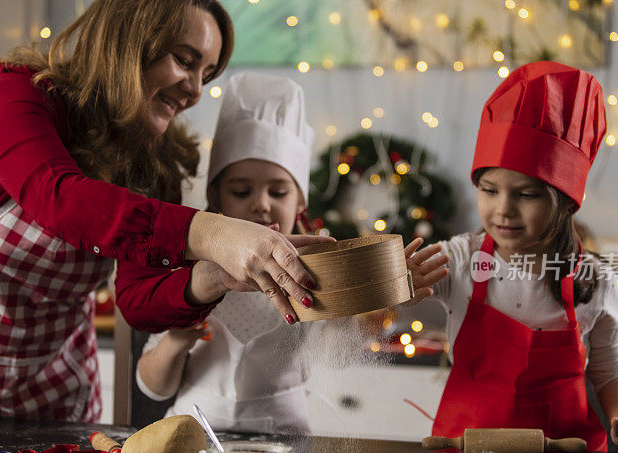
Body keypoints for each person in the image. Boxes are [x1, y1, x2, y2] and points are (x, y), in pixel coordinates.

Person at [0, 0, 333, 422]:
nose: (196, 90)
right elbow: (58, 197)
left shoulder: (153, 162)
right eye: (184, 60)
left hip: (56, 392)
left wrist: (214, 275)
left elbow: (137, 301)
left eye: (207, 74)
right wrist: (217, 234)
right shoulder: (14, 97)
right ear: (129, 39)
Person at [136, 72, 448, 433]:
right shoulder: (190, 273)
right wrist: (176, 340)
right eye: (241, 192)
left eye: (278, 192)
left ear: (300, 199)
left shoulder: (315, 271)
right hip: (191, 434)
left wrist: (368, 301)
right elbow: (153, 386)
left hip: (282, 440)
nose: (261, 206)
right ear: (216, 198)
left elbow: (334, 359)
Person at [430, 61, 618, 453]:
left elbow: (612, 374)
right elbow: (391, 290)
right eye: (489, 190)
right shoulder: (459, 259)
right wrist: (397, 276)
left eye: (526, 195)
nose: (503, 209)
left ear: (565, 203)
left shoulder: (596, 281)